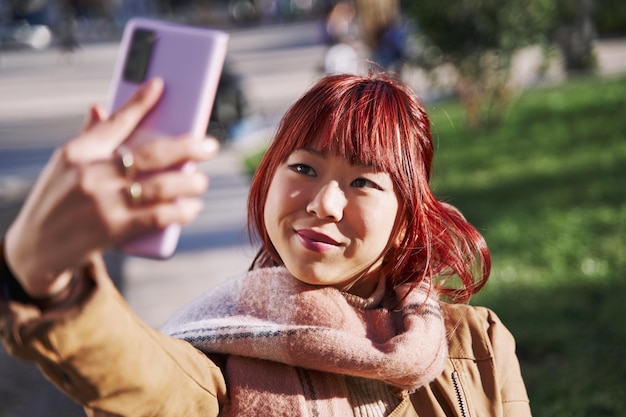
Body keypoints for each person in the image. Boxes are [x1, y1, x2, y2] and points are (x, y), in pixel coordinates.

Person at [0, 72, 531, 416]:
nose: (324, 202)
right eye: (303, 167)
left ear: (406, 219)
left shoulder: (476, 343)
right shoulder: (227, 342)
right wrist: (49, 283)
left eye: (363, 181)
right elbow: (147, 382)